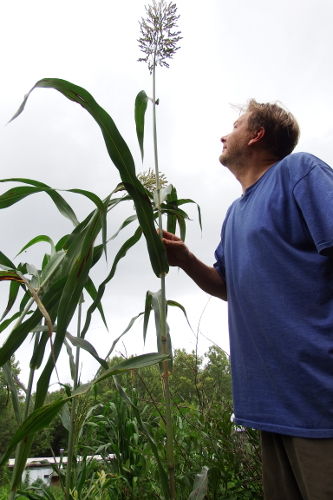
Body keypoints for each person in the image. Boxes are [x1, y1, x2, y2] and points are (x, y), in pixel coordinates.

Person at [162, 99, 333, 500]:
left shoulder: (299, 171)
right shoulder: (234, 215)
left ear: (257, 135)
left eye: (235, 125)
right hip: (270, 405)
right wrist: (185, 259)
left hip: (319, 399)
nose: (224, 134)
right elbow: (227, 285)